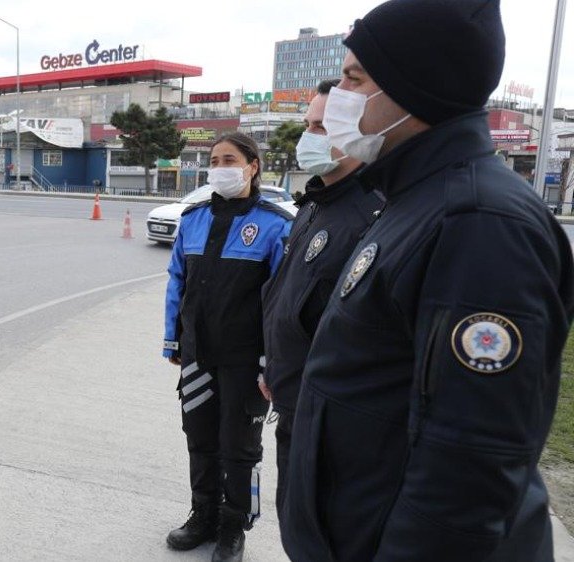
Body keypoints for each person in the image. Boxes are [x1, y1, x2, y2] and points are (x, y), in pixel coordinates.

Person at [281, 1, 574, 560]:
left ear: (414, 85)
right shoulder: (413, 198)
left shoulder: (478, 222)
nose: (339, 93)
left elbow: (468, 464)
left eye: (354, 77)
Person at [163, 132, 293, 562]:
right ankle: (203, 516)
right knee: (199, 438)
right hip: (199, 357)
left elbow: (281, 302)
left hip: (245, 361)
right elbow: (177, 282)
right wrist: (175, 339)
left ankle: (234, 528)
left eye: (229, 159)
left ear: (252, 165)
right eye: (214, 159)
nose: (219, 166)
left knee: (239, 447)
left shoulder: (275, 224)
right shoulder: (194, 217)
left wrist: (271, 362)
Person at [259, 78, 384, 521]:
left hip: (331, 422)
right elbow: (286, 297)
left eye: (322, 126)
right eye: (308, 124)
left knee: (324, 528)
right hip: (291, 403)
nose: (309, 137)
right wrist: (272, 366)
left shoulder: (375, 214)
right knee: (294, 519)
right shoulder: (314, 204)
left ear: (357, 132)